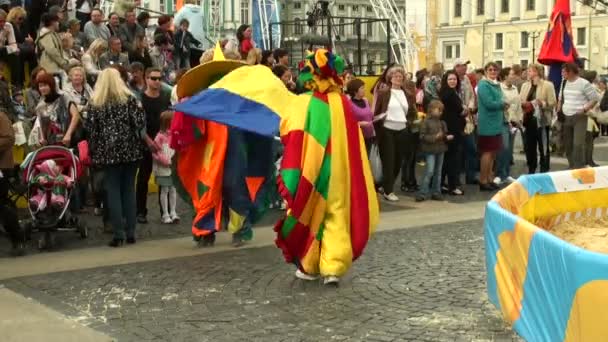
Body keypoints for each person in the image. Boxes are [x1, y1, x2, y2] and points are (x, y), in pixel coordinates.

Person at [85, 68, 150, 247]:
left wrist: (94, 150)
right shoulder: (129, 100)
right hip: (130, 149)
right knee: (129, 189)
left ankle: (118, 233)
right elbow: (139, 123)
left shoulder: (95, 103)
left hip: (108, 151)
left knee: (112, 191)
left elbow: (91, 131)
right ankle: (131, 232)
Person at [373, 65, 417, 202]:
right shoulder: (384, 93)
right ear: (390, 78)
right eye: (395, 76)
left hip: (402, 130)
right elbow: (377, 112)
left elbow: (412, 112)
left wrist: (409, 123)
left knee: (398, 161)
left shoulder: (408, 94)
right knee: (389, 161)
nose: (398, 78)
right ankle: (388, 190)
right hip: (387, 130)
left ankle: (384, 185)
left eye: (400, 77)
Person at [136, 67, 171, 224]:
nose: (157, 81)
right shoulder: (140, 99)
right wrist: (148, 141)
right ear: (146, 79)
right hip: (145, 143)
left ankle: (167, 212)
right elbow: (138, 124)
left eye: (159, 78)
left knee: (165, 178)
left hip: (163, 144)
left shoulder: (164, 98)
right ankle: (140, 212)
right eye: (153, 78)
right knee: (143, 178)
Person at [558, 63, 599, 169]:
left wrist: (584, 109)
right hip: (566, 117)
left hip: (579, 117)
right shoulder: (564, 82)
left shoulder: (583, 83)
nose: (562, 74)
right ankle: (572, 166)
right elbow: (561, 97)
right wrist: (559, 108)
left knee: (578, 144)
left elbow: (594, 98)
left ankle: (579, 167)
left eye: (564, 72)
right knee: (568, 144)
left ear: (571, 71)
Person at [520, 63, 556, 174]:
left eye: (530, 71)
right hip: (528, 120)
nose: (528, 73)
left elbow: (553, 102)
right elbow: (520, 100)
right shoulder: (525, 85)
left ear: (537, 72)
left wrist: (542, 103)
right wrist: (524, 104)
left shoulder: (548, 85)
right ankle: (531, 167)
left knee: (543, 146)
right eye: (528, 71)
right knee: (529, 146)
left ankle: (544, 169)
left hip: (542, 121)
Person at [28, 73, 80, 148]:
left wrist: (68, 134)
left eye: (45, 85)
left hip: (70, 140)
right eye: (40, 86)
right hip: (52, 144)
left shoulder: (64, 96)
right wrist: (42, 138)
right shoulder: (40, 106)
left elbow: (76, 115)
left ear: (51, 85)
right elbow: (41, 125)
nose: (42, 88)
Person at [416, 100, 452, 202]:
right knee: (430, 171)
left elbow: (444, 135)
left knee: (438, 172)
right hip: (430, 150)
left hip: (440, 149)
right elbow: (422, 136)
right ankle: (423, 192)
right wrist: (434, 137)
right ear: (431, 110)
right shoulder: (426, 122)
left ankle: (436, 192)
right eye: (438, 110)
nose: (440, 112)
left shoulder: (442, 123)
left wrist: (446, 137)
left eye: (441, 110)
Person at [477, 62, 505, 191]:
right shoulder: (483, 84)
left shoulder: (496, 84)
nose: (493, 72)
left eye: (495, 70)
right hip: (487, 123)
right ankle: (483, 180)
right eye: (490, 70)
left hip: (496, 123)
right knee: (487, 153)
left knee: (493, 153)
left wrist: (501, 103)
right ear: (485, 71)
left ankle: (489, 178)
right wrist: (502, 104)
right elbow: (488, 103)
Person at [0, 106, 25, 256]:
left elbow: (9, 138)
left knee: (2, 205)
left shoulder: (1, 116)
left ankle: (17, 238)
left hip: (1, 167)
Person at [439, 70, 465, 196]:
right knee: (452, 159)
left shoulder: (445, 92)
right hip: (452, 129)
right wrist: (467, 110)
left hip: (448, 128)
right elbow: (460, 110)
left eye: (454, 79)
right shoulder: (450, 94)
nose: (453, 81)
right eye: (450, 79)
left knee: (446, 158)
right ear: (446, 80)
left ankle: (441, 184)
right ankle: (452, 186)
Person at [495, 67, 521, 185]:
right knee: (503, 147)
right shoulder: (499, 88)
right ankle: (500, 174)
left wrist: (519, 119)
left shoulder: (515, 89)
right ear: (505, 76)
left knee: (509, 150)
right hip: (503, 121)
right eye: (511, 74)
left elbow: (518, 105)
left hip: (514, 122)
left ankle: (506, 174)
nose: (513, 76)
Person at [153, 110, 179, 224]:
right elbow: (155, 152)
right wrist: (165, 161)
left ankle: (173, 211)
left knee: (173, 189)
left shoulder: (175, 134)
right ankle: (165, 213)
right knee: (164, 190)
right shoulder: (159, 137)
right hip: (164, 167)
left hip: (173, 166)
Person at [36, 13, 70, 79]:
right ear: (52, 22)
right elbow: (51, 50)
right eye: (57, 21)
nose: (58, 23)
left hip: (56, 67)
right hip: (50, 69)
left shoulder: (53, 34)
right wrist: (63, 63)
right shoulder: (46, 35)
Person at [346, 78, 374, 154]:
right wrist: (359, 124)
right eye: (362, 88)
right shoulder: (348, 104)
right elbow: (347, 123)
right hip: (358, 138)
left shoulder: (366, 100)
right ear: (355, 91)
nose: (364, 90)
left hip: (369, 136)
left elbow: (370, 115)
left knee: (367, 157)